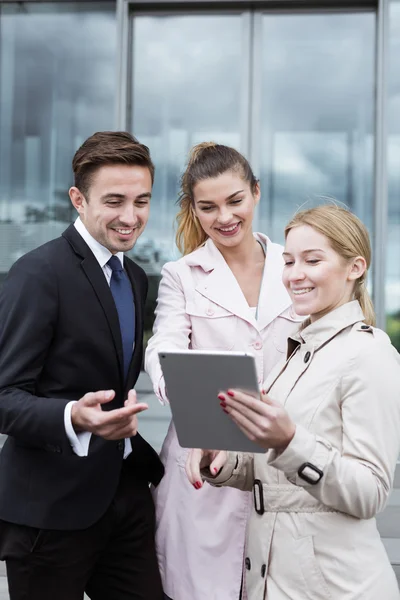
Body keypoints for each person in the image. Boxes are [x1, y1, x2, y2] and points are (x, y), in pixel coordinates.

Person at [186, 204, 400, 600]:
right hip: (273, 580)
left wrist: (289, 441)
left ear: (355, 268)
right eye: (288, 261)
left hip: (334, 588)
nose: (294, 274)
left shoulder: (370, 355)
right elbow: (271, 472)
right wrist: (220, 457)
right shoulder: (297, 353)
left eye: (312, 260)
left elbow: (369, 493)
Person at [0, 131, 165, 600]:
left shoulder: (133, 276)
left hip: (123, 497)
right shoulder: (38, 273)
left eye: (142, 201)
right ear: (78, 198)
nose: (131, 217)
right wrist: (74, 416)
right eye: (114, 201)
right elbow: (4, 396)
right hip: (49, 514)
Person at [145, 142, 302, 600]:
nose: (224, 217)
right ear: (194, 210)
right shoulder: (182, 274)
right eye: (208, 207)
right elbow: (164, 347)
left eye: (235, 200)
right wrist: (186, 389)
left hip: (279, 459)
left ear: (255, 192)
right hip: (203, 459)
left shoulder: (294, 268)